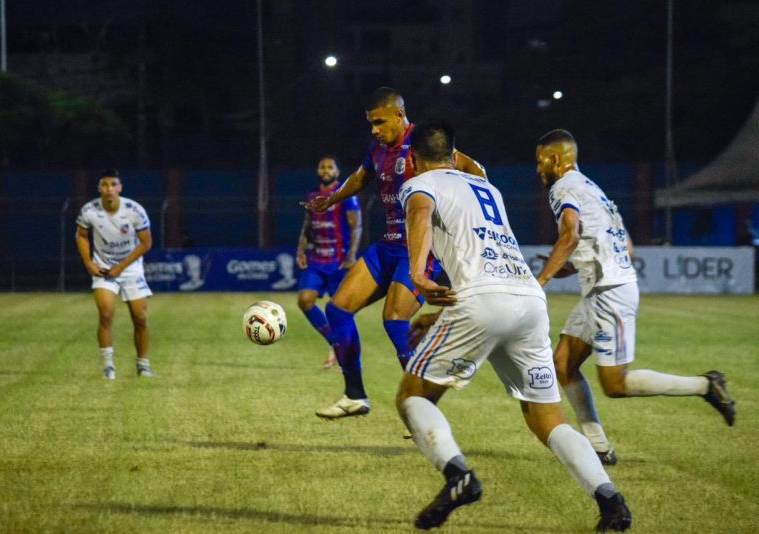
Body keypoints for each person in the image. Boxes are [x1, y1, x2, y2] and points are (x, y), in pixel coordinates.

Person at [397, 121, 631, 531]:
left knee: (413, 396)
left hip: (481, 302)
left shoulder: (420, 183)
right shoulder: (489, 189)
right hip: (526, 302)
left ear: (414, 159)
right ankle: (610, 500)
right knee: (548, 418)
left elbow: (420, 212)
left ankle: (458, 478)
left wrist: (417, 272)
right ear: (455, 155)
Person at [534, 129, 736, 465]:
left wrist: (542, 278)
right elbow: (626, 246)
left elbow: (571, 232)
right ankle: (599, 448)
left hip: (610, 292)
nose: (538, 169)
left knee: (615, 384)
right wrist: (577, 265)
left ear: (555, 159)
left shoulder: (563, 186)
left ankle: (706, 385)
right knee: (563, 364)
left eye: (539, 161)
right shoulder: (591, 188)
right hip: (603, 288)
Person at [304, 87, 486, 419]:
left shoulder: (423, 143)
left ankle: (423, 406)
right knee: (338, 310)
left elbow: (475, 171)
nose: (373, 130)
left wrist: (473, 214)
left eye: (379, 122)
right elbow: (361, 178)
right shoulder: (378, 148)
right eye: (370, 124)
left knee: (394, 319)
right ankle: (355, 396)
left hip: (417, 250)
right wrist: (329, 200)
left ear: (399, 116)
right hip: (387, 246)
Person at [75, 170, 155, 380]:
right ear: (99, 188)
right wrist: (88, 263)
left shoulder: (134, 210)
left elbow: (147, 243)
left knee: (140, 318)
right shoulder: (89, 210)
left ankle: (143, 365)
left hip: (130, 268)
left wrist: (121, 267)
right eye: (105, 185)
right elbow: (81, 236)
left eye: (113, 184)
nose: (109, 189)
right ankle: (108, 366)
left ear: (120, 188)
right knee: (106, 314)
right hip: (103, 267)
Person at [297, 156, 362, 369]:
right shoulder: (313, 196)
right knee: (305, 300)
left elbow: (356, 226)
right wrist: (301, 249)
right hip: (317, 259)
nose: (325, 170)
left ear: (337, 172)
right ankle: (334, 343)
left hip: (338, 262)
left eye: (329, 167)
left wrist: (351, 256)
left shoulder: (345, 196)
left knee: (340, 310)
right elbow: (307, 225)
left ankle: (349, 353)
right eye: (322, 166)